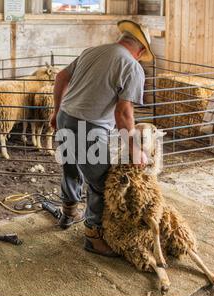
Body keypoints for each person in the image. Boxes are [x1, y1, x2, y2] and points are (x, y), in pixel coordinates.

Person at [50, 20, 154, 257]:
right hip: (90, 127)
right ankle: (93, 237)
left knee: (71, 165)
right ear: (141, 50)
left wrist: (56, 112)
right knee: (101, 182)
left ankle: (69, 213)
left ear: (124, 39)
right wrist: (135, 149)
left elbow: (60, 78)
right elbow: (124, 113)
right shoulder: (132, 66)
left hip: (67, 117)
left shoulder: (92, 51)